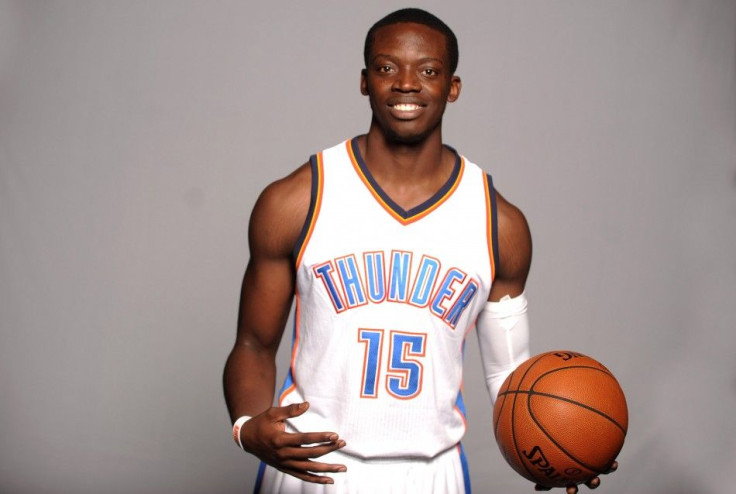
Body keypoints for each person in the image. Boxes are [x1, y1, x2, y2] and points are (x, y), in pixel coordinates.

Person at [224, 8, 613, 494]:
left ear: (452, 86)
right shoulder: (297, 200)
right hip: (311, 467)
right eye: (387, 68)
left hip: (432, 473)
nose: (407, 84)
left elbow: (509, 374)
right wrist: (246, 424)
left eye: (428, 70)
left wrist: (559, 442)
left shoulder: (500, 224)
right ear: (365, 82)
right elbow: (253, 345)